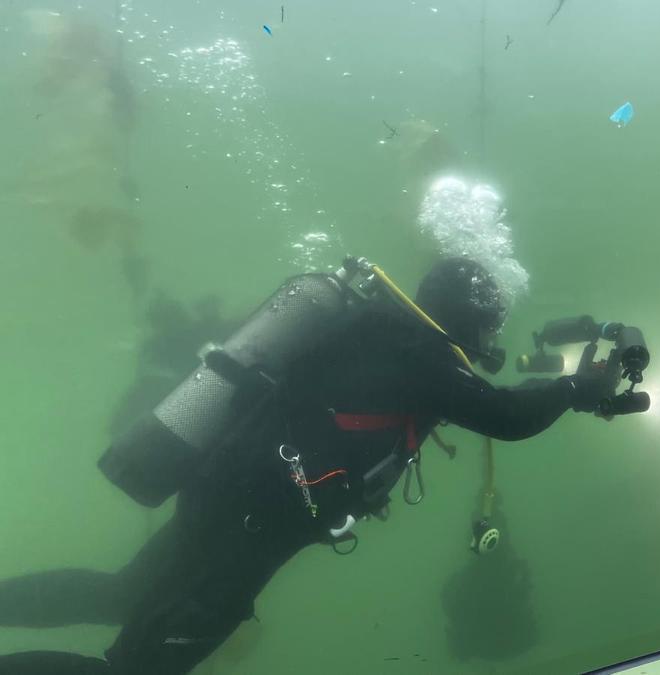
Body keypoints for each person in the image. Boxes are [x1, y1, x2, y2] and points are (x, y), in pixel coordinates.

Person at [0, 256, 623, 674]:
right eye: (490, 324)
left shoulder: (375, 330)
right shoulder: (421, 357)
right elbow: (506, 417)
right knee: (136, 669)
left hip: (222, 493)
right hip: (251, 524)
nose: (491, 340)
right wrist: (577, 390)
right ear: (470, 317)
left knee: (122, 594)